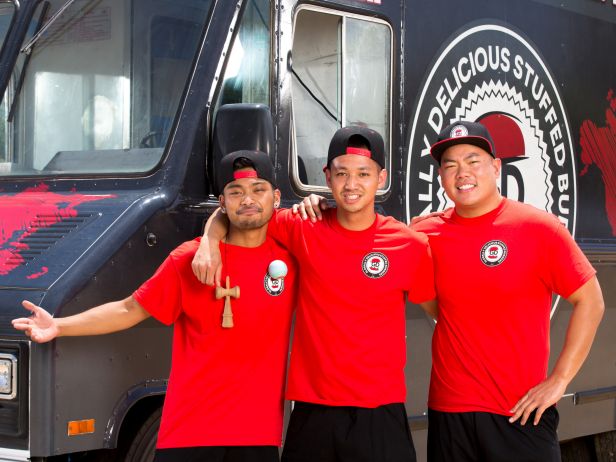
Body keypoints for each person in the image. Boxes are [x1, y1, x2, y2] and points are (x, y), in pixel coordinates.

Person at [12, 150, 297, 462]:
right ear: (222, 203)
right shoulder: (187, 260)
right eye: (236, 192)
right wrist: (58, 326)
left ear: (277, 197)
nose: (248, 200)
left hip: (258, 437)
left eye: (259, 190)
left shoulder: (291, 260)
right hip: (189, 435)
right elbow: (127, 310)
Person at [192, 126, 437, 462]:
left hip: (379, 413)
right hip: (314, 412)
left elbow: (437, 312)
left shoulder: (409, 244)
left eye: (363, 174)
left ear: (381, 178)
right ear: (327, 176)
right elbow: (241, 213)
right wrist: (210, 243)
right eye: (342, 173)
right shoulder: (302, 226)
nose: (351, 185)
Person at [415, 121, 604, 462]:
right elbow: (432, 301)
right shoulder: (425, 233)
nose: (462, 173)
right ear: (441, 176)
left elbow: (591, 301)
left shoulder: (538, 228)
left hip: (521, 412)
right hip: (450, 412)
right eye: (450, 165)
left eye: (473, 161)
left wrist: (560, 379)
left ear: (497, 166)